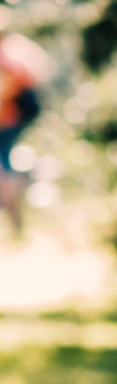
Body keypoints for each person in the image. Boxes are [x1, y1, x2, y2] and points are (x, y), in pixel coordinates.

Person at [0, 33, 48, 244]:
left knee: (3, 163)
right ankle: (13, 211)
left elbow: (10, 88)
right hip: (17, 114)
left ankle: (12, 208)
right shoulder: (15, 47)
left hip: (12, 116)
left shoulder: (7, 56)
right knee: (5, 161)